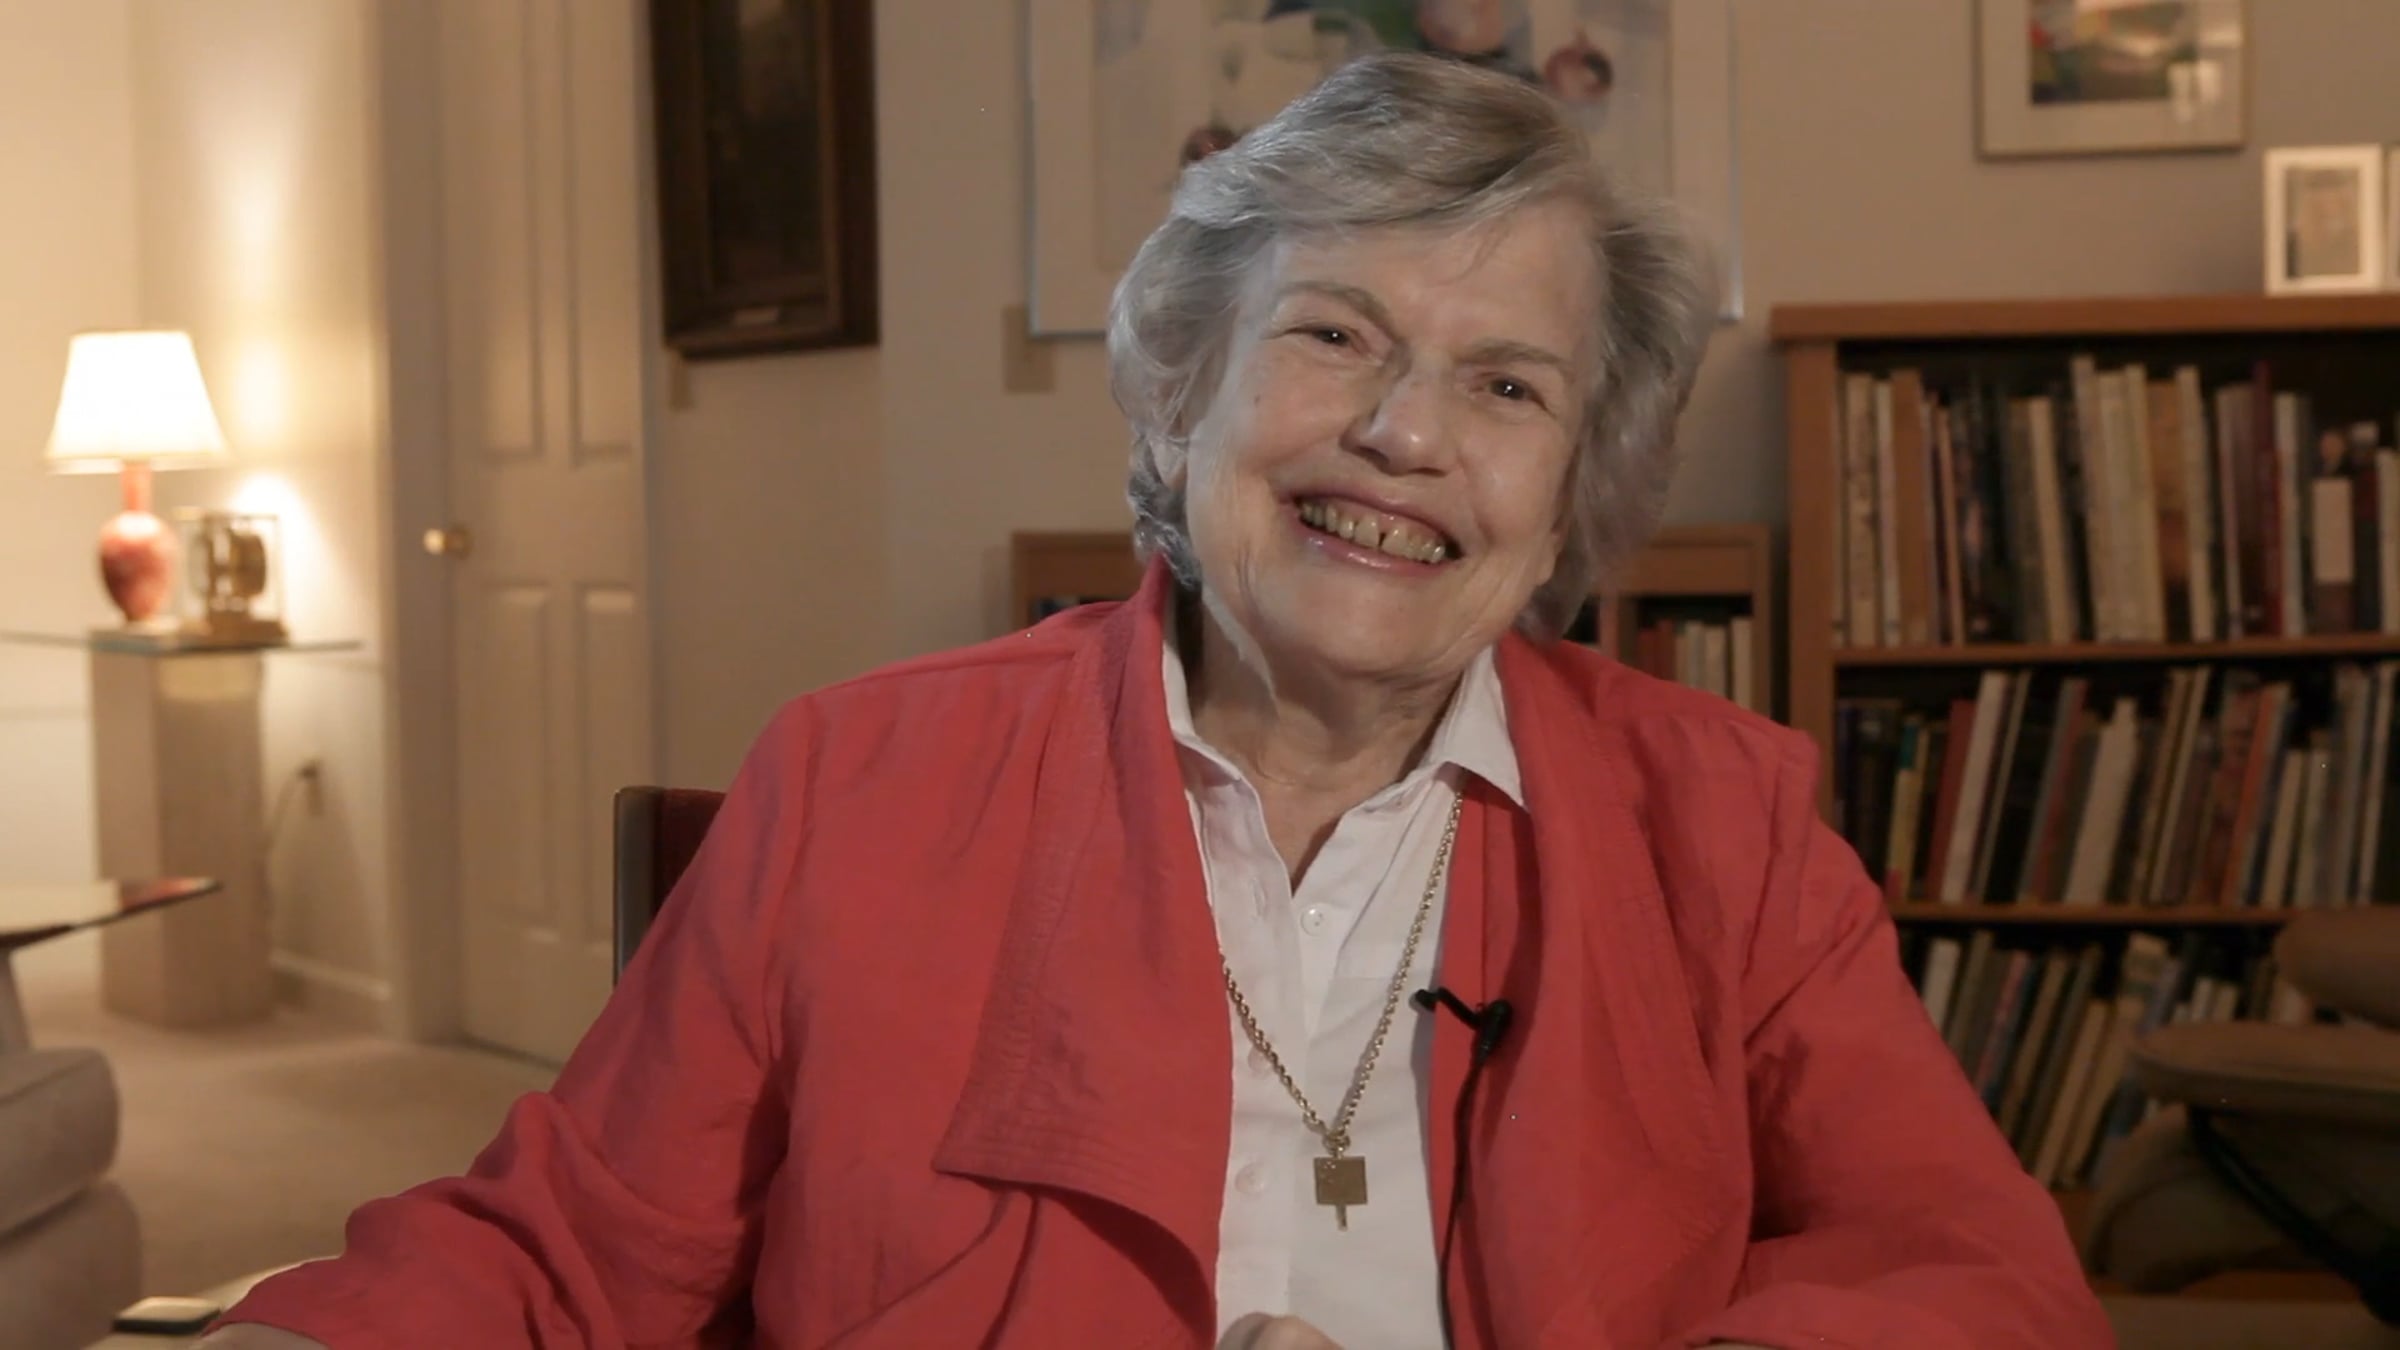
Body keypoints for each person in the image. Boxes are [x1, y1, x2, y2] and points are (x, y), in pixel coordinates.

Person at [201, 51, 2113, 1350]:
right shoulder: (861, 778)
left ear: (1571, 492)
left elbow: (1975, 1275)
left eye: (1506, 386)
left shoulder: (1725, 817)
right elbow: (566, 1258)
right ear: (1185, 388)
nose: (1407, 432)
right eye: (1335, 333)